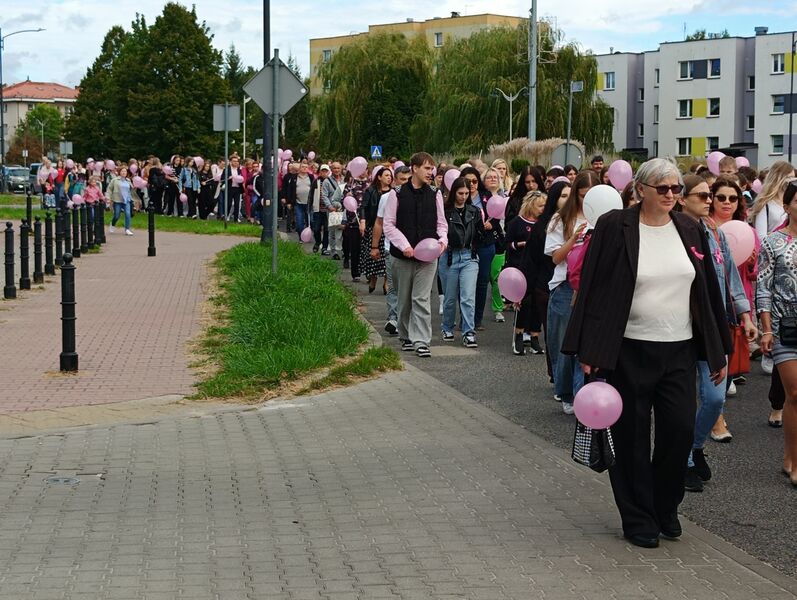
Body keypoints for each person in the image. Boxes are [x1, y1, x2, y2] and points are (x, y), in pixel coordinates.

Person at [562, 158, 732, 548]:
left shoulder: (689, 227)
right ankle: (638, 516)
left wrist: (717, 350)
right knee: (632, 438)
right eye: (663, 189)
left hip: (679, 349)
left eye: (676, 188)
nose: (672, 195)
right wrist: (589, 348)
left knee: (679, 432)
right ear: (640, 190)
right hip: (628, 350)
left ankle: (664, 505)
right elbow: (594, 288)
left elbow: (705, 290)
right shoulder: (614, 226)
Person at [675, 175, 757, 493]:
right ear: (682, 199)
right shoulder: (674, 234)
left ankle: (694, 447)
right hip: (682, 330)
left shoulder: (715, 233)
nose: (710, 200)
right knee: (680, 402)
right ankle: (684, 462)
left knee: (714, 398)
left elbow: (731, 280)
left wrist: (745, 316)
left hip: (715, 328)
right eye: (703, 195)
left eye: (711, 195)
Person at [383, 152, 448, 358]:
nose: (431, 172)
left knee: (421, 298)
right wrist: (404, 245)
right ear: (415, 168)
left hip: (428, 255)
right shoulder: (398, 193)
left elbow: (441, 223)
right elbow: (389, 224)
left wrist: (442, 241)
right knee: (404, 300)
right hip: (403, 256)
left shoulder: (435, 193)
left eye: (432, 168)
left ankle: (421, 340)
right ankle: (405, 335)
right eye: (427, 168)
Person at [544, 170, 598, 414]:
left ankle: (583, 392)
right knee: (565, 343)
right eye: (582, 195)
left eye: (591, 196)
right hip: (566, 285)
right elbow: (555, 258)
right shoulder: (560, 218)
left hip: (595, 285)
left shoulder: (606, 216)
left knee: (589, 345)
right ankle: (565, 392)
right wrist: (575, 238)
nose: (586, 201)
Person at [757, 179, 797, 488]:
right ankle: (792, 458)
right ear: (787, 206)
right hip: (786, 328)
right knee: (795, 394)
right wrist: (766, 328)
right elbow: (764, 288)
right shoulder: (773, 242)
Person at [438, 176, 483, 348]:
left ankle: (468, 332)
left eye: (466, 193)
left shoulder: (474, 211)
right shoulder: (445, 210)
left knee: (467, 297)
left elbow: (479, 235)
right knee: (449, 298)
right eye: (460, 193)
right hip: (449, 256)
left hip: (469, 256)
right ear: (453, 192)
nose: (463, 196)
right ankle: (447, 326)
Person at [506, 191, 547, 355]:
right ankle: (519, 335)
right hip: (520, 267)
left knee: (538, 303)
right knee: (524, 302)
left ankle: (535, 337)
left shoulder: (545, 223)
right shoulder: (517, 222)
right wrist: (520, 244)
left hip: (539, 267)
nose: (543, 209)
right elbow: (507, 243)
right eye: (540, 206)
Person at [373, 166, 412, 335]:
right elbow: (379, 223)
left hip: (412, 249)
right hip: (391, 249)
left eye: (408, 180)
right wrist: (375, 247)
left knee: (408, 287)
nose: (405, 183)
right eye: (402, 180)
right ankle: (393, 318)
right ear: (395, 181)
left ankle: (406, 320)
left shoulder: (416, 198)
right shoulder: (387, 198)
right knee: (393, 285)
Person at [359, 166, 392, 293]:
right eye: (386, 175)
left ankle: (386, 282)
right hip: (374, 226)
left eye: (390, 176)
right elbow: (363, 207)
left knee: (386, 256)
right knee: (374, 255)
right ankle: (373, 279)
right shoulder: (371, 190)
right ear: (379, 177)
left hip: (388, 228)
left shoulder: (393, 192)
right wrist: (363, 221)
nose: (389, 178)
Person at [483, 167, 508, 322]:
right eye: (489, 177)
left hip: (499, 241)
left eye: (495, 177)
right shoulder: (479, 197)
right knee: (481, 278)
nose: (493, 179)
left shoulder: (505, 198)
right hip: (482, 242)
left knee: (496, 277)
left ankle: (498, 309)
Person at [322, 161, 346, 260]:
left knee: (344, 230)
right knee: (332, 230)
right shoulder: (327, 181)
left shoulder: (344, 180)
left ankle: (345, 250)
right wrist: (330, 206)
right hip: (333, 209)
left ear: (341, 169)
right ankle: (333, 251)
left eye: (338, 168)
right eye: (334, 168)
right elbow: (324, 195)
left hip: (344, 208)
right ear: (331, 170)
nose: (336, 170)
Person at [106, 165, 135, 235]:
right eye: (122, 171)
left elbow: (131, 190)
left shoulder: (128, 180)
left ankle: (127, 229)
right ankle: (112, 224)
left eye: (125, 171)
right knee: (116, 215)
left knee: (128, 214)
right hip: (117, 199)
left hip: (127, 200)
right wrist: (108, 198)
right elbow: (109, 189)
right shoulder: (115, 180)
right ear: (119, 172)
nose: (124, 172)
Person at [310, 164, 330, 253]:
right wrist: (310, 206)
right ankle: (318, 242)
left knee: (326, 229)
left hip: (327, 210)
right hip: (317, 209)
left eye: (326, 171)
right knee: (316, 228)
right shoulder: (316, 181)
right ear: (320, 172)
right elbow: (311, 194)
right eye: (323, 171)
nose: (324, 173)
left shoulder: (330, 182)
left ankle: (324, 247)